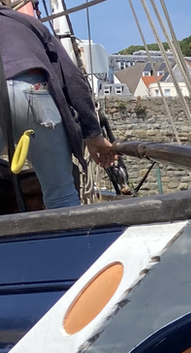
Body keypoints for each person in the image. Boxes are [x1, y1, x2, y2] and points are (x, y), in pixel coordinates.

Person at [0, 6, 115, 209]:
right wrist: (93, 134)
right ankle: (72, 240)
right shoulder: (29, 24)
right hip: (35, 92)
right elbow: (72, 79)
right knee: (61, 195)